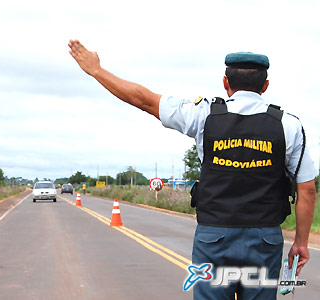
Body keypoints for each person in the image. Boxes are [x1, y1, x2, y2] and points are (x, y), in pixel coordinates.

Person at [68, 40, 317, 299]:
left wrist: (96, 70)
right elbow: (307, 190)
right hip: (264, 239)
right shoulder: (288, 125)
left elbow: (144, 100)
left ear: (225, 82)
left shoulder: (204, 114)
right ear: (265, 86)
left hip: (214, 237)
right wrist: (300, 242)